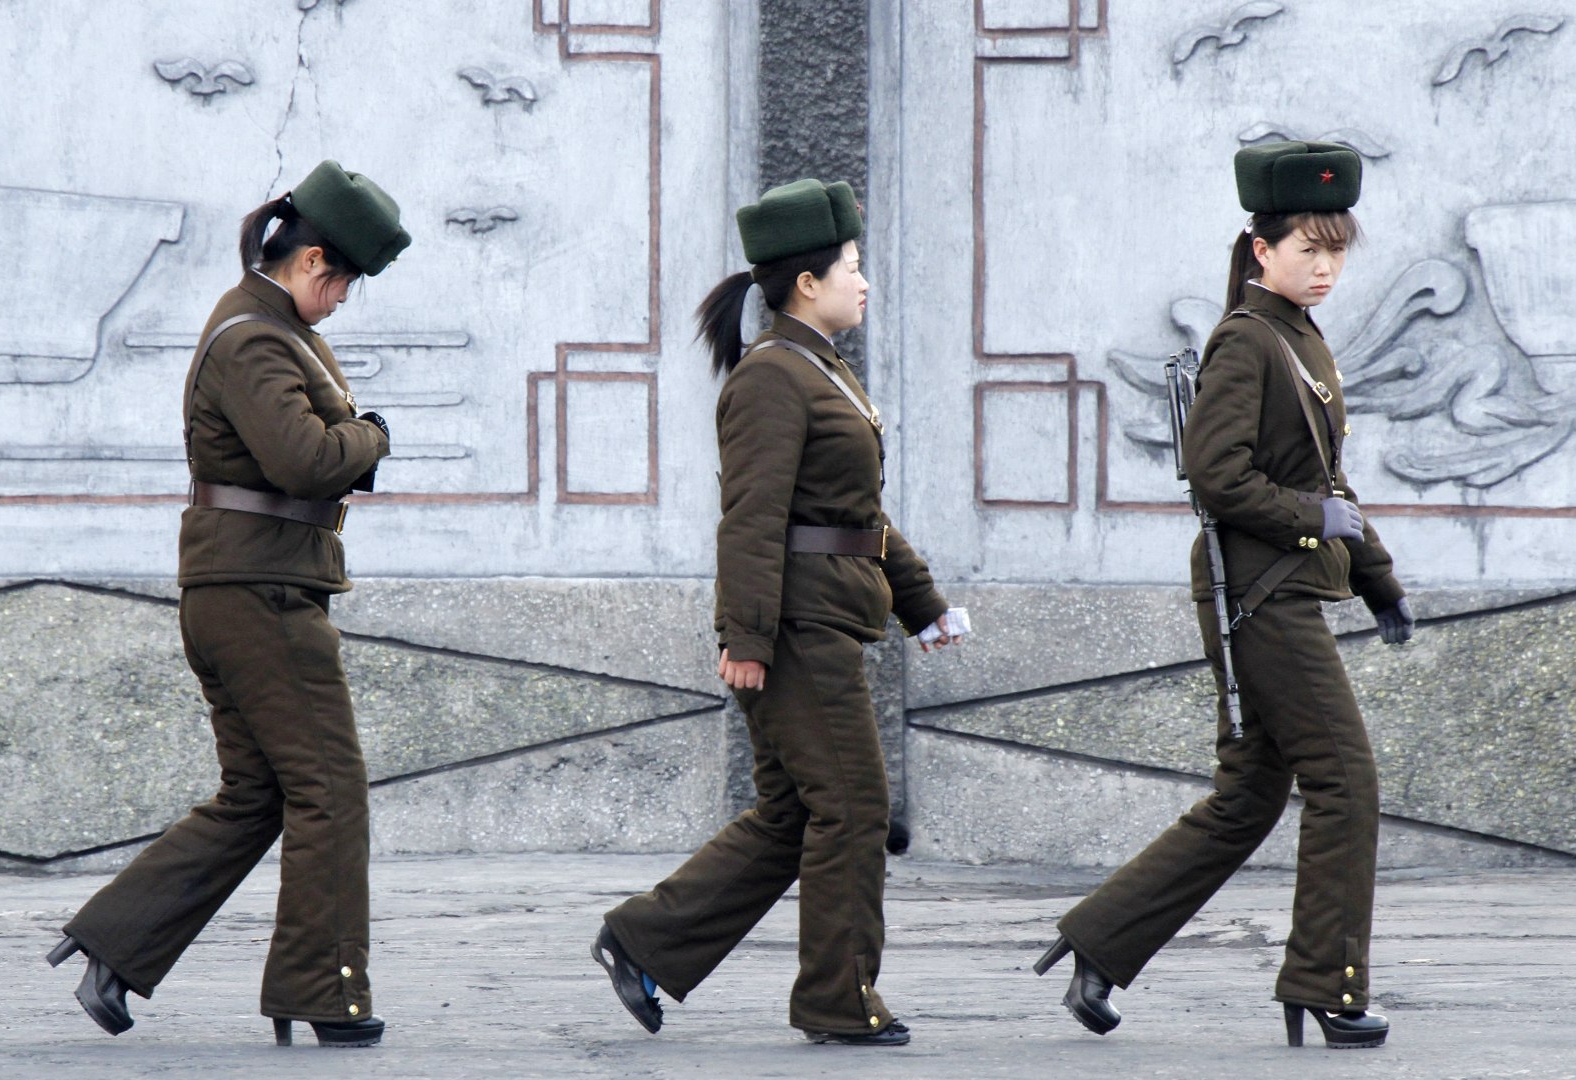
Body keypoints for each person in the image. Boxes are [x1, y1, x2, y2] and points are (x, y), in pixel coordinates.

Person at [1034, 142, 1416, 1050]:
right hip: (1261, 599)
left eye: (1336, 250)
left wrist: (1378, 579)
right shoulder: (1248, 339)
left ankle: (1099, 944)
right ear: (1261, 248)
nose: (1324, 267)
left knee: (1247, 799)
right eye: (1307, 249)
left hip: (1278, 590)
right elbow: (1217, 475)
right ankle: (1327, 985)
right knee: (1346, 780)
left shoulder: (1299, 335)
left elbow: (1329, 482)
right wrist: (1313, 520)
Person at [592, 177, 968, 1047]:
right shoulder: (772, 377)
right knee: (854, 806)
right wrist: (747, 637)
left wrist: (922, 604)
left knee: (795, 812)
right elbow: (752, 518)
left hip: (821, 616)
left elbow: (855, 513)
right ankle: (837, 998)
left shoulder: (818, 368)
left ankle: (644, 939)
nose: (863, 281)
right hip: (797, 628)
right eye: (850, 266)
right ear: (807, 282)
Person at [46, 159, 407, 1049]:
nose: (342, 300)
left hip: (248, 584)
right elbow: (306, 460)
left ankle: (115, 945)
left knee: (257, 794)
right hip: (260, 593)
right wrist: (372, 437)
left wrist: (348, 438)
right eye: (343, 283)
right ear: (312, 260)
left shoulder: (272, 328)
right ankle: (324, 990)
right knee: (330, 788)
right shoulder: (256, 337)